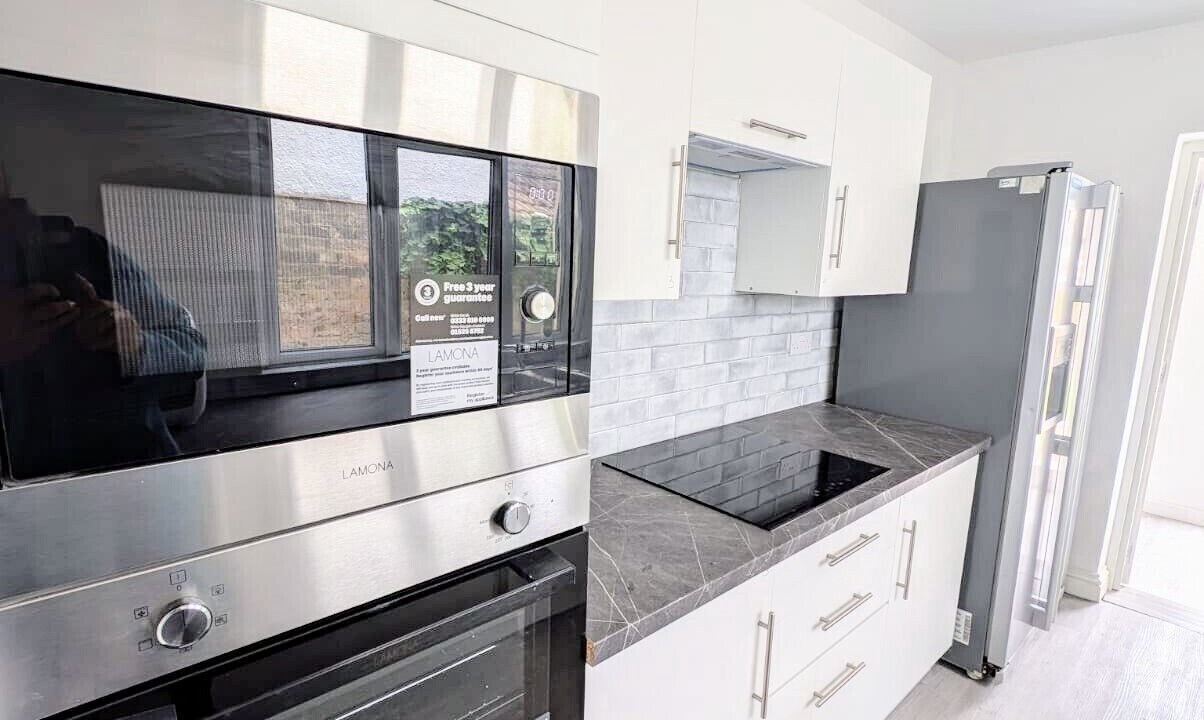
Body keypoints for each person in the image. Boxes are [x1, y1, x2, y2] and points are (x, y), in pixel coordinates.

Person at [0, 189, 207, 480]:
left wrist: (137, 346)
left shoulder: (87, 250)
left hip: (145, 476)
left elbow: (193, 350)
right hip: (23, 499)